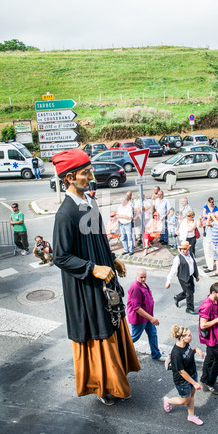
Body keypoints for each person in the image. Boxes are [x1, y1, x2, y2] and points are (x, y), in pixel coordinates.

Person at [52, 148, 140, 406]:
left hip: (105, 280)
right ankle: (103, 386)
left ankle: (117, 377)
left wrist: (111, 259)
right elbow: (61, 256)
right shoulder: (64, 214)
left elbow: (98, 238)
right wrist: (93, 268)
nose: (90, 176)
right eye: (84, 173)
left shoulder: (90, 202)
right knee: (99, 331)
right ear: (69, 178)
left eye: (89, 170)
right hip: (86, 289)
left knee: (113, 324)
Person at [163, 324, 204, 426]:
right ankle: (168, 400)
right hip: (182, 380)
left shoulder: (185, 344)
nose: (191, 336)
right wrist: (194, 383)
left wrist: (196, 350)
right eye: (189, 335)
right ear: (182, 338)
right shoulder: (176, 353)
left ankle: (191, 416)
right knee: (185, 400)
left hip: (192, 373)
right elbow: (182, 372)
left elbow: (189, 352)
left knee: (191, 395)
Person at [198, 282, 218, 395]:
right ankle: (210, 382)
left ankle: (204, 379)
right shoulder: (206, 305)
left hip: (214, 335)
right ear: (213, 293)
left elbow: (214, 312)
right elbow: (203, 325)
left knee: (210, 358)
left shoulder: (214, 301)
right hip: (211, 337)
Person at [127, 267, 162, 360]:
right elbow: (137, 308)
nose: (143, 279)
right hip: (139, 319)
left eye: (145, 277)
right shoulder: (135, 287)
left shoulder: (143, 284)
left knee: (153, 334)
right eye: (141, 277)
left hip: (148, 317)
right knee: (134, 337)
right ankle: (120, 349)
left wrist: (150, 318)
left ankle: (156, 354)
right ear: (136, 276)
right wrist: (151, 318)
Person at [165, 241, 199, 315]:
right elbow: (173, 270)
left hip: (190, 276)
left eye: (184, 249)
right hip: (183, 278)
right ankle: (189, 308)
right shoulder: (178, 258)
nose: (183, 250)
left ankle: (177, 297)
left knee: (191, 291)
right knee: (189, 293)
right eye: (181, 249)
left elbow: (194, 266)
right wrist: (168, 281)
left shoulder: (192, 255)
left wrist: (196, 275)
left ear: (188, 249)